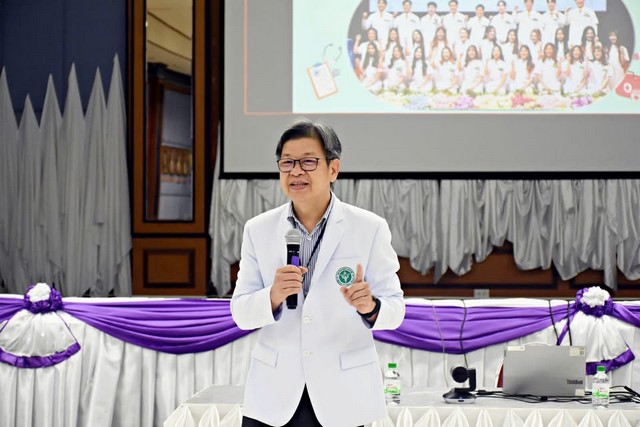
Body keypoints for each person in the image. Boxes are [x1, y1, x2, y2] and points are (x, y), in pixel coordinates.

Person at [231, 119, 406, 427]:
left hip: (343, 397)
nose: (296, 172)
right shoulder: (258, 229)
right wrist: (273, 296)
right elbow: (241, 314)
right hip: (273, 398)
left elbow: (396, 311)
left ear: (333, 169)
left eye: (308, 162)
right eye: (287, 162)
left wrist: (371, 307)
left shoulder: (369, 228)